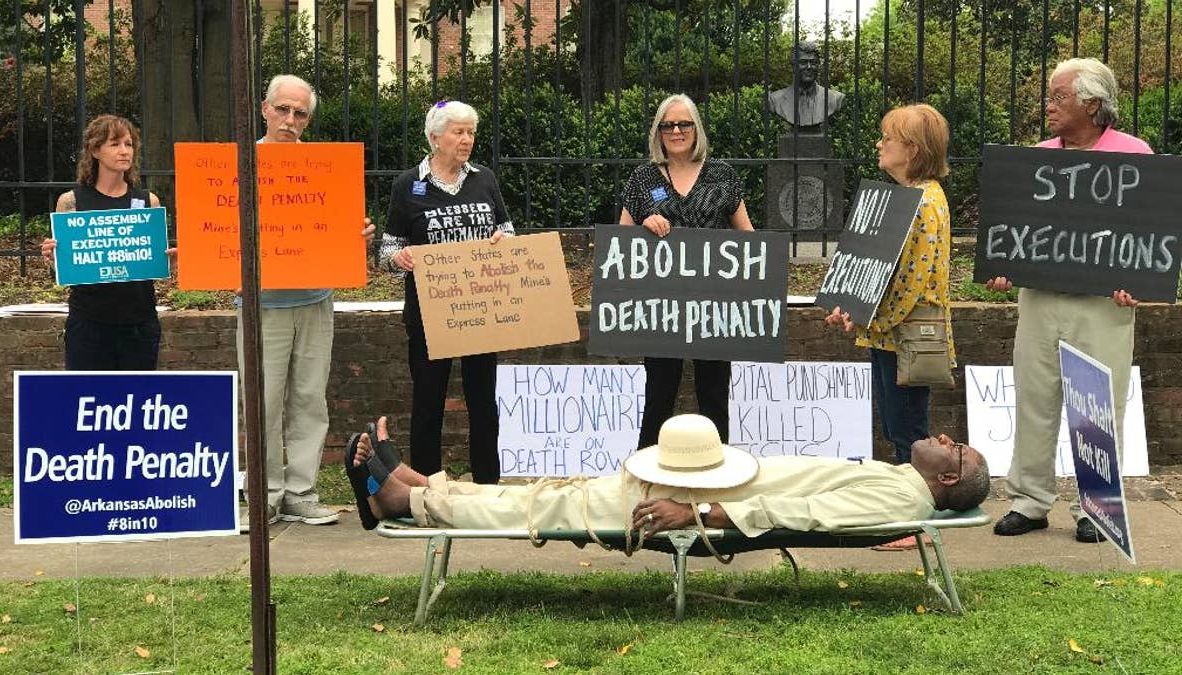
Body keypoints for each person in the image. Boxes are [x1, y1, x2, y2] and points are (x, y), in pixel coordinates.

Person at [343, 413, 990, 539]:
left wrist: (700, 517)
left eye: (951, 444)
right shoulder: (897, 475)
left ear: (950, 475)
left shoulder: (898, 492)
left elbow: (806, 515)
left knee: (545, 508)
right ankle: (419, 483)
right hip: (703, 481)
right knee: (556, 492)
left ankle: (410, 501)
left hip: (699, 501)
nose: (941, 437)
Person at [985, 58, 1150, 544]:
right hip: (1039, 298)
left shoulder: (1135, 155)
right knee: (1035, 396)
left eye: (1058, 97)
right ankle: (1029, 501)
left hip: (1103, 305)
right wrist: (1003, 266)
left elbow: (1149, 236)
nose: (1048, 105)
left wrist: (1136, 279)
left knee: (1096, 402)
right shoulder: (1036, 158)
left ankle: (1095, 507)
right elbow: (1016, 234)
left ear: (1092, 103)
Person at [239, 73, 376, 527]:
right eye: (283, 109)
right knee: (263, 401)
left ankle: (301, 492)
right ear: (264, 109)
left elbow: (338, 226)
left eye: (300, 113)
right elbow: (215, 222)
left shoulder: (323, 168)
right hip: (262, 305)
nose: (290, 119)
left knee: (309, 399)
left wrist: (358, 234)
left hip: (316, 299)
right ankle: (264, 495)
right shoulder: (241, 163)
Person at [824, 104, 955, 550]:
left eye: (888, 138)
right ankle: (906, 515)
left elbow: (912, 285)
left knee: (908, 432)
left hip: (908, 339)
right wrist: (850, 301)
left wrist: (861, 312)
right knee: (899, 426)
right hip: (891, 335)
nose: (879, 144)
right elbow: (878, 268)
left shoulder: (922, 204)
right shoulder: (907, 197)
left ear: (912, 149)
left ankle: (911, 522)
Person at [380, 100, 513, 485]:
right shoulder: (408, 185)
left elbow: (508, 229)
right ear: (435, 137)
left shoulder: (484, 178)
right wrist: (399, 257)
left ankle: (488, 485)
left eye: (471, 132)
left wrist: (503, 240)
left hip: (482, 310)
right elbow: (387, 250)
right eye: (458, 132)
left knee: (483, 403)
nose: (467, 139)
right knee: (428, 402)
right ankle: (428, 487)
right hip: (428, 314)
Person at [619, 93, 754, 449]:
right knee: (658, 396)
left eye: (684, 124)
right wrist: (644, 223)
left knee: (714, 397)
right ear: (658, 132)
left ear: (697, 129)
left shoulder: (721, 174)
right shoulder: (642, 179)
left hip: (714, 307)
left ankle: (716, 480)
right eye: (668, 125)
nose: (676, 131)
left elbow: (749, 238)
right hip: (661, 308)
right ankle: (647, 480)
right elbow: (621, 243)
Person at [40, 115, 167, 370]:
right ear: (95, 150)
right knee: (87, 401)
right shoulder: (71, 202)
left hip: (139, 323)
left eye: (129, 144)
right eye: (115, 144)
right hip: (89, 322)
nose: (124, 151)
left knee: (136, 403)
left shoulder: (147, 202)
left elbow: (153, 263)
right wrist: (54, 260)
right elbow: (67, 269)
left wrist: (167, 261)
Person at [767, 41, 846, 129]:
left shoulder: (835, 99)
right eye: (803, 62)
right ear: (793, 67)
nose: (809, 67)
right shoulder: (775, 100)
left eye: (813, 62)